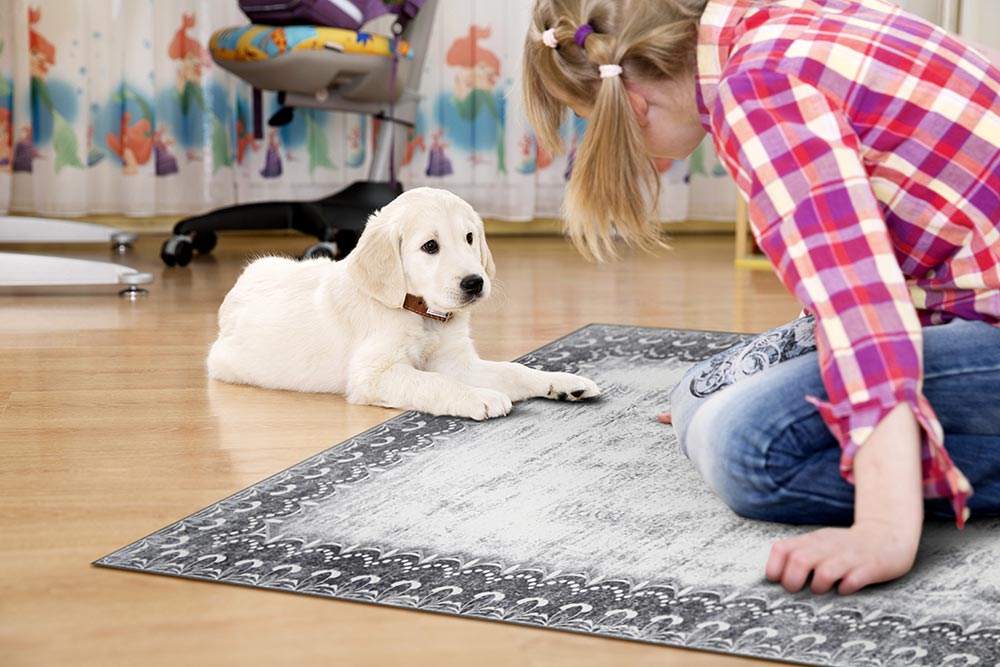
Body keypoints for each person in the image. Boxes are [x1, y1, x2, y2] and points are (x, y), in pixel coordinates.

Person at [521, 0, 1000, 596]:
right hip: (959, 299)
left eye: (587, 120)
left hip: (964, 313)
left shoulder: (760, 88)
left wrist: (882, 525)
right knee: (700, 392)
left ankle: (898, 477)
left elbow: (861, 310)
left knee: (748, 445)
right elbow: (854, 250)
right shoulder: (769, 23)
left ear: (633, 106)